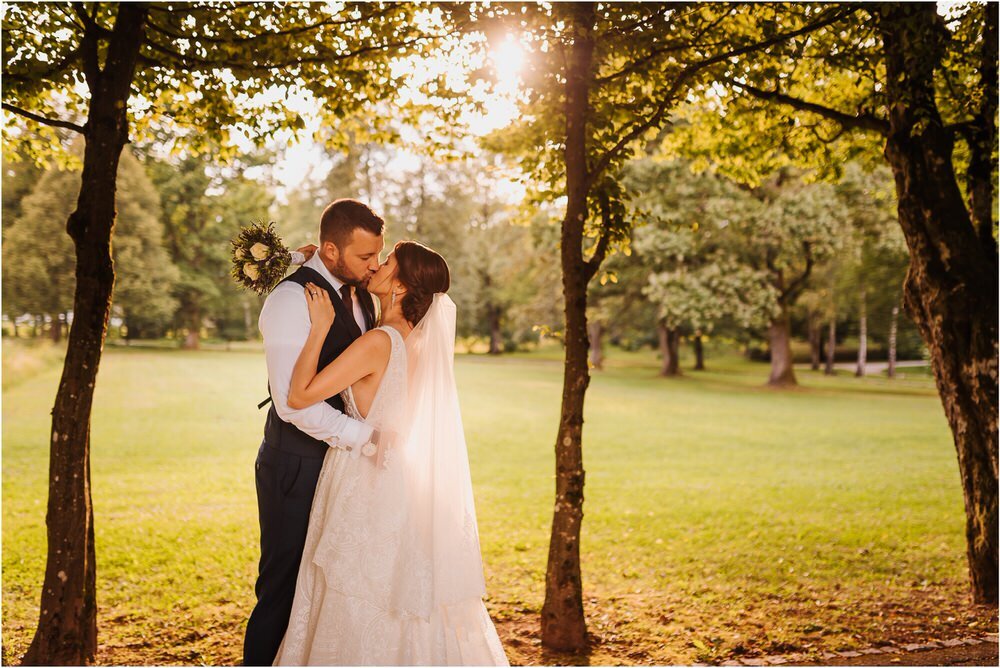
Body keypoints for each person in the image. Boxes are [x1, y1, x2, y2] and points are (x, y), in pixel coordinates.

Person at [273, 240, 508, 665]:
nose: (376, 267)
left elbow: (299, 394)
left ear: (399, 286)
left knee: (361, 589)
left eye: (387, 263)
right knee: (404, 592)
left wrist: (322, 325)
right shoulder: (417, 342)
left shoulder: (380, 342)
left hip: (362, 478)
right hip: (403, 478)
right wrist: (304, 258)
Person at [244, 199, 387, 666]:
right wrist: (363, 438)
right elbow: (291, 404)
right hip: (296, 464)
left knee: (327, 587)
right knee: (283, 587)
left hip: (344, 470)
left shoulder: (361, 293)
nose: (374, 266)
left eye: (377, 255)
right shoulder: (290, 300)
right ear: (330, 250)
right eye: (365, 257)